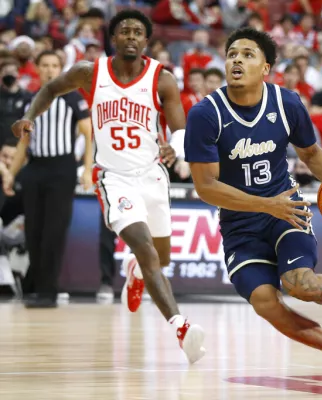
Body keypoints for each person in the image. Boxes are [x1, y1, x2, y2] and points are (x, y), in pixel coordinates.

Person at [184, 27, 322, 390]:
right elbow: (206, 187)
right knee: (265, 302)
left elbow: (311, 154)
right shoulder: (206, 114)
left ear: (266, 67)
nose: (236, 59)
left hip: (287, 210)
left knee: (300, 284)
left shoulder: (286, 103)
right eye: (232, 54)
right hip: (241, 224)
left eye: (247, 54)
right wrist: (263, 205)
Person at [10, 9, 205, 363]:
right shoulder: (90, 72)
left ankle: (134, 270)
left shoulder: (162, 79)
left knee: (160, 258)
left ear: (146, 41)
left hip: (152, 175)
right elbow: (51, 89)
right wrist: (29, 116)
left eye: (137, 32)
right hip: (113, 178)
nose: (131, 36)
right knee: (146, 250)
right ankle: (181, 326)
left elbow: (180, 130)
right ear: (113, 39)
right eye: (124, 31)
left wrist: (173, 148)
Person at [3, 50, 93, 308]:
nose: (50, 70)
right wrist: (11, 173)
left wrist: (87, 169)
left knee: (54, 231)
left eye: (55, 65)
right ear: (37, 68)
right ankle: (34, 286)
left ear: (61, 69)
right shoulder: (28, 102)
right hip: (35, 169)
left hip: (62, 169)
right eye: (45, 65)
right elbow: (23, 145)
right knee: (33, 231)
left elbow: (88, 135)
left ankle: (48, 291)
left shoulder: (74, 99)